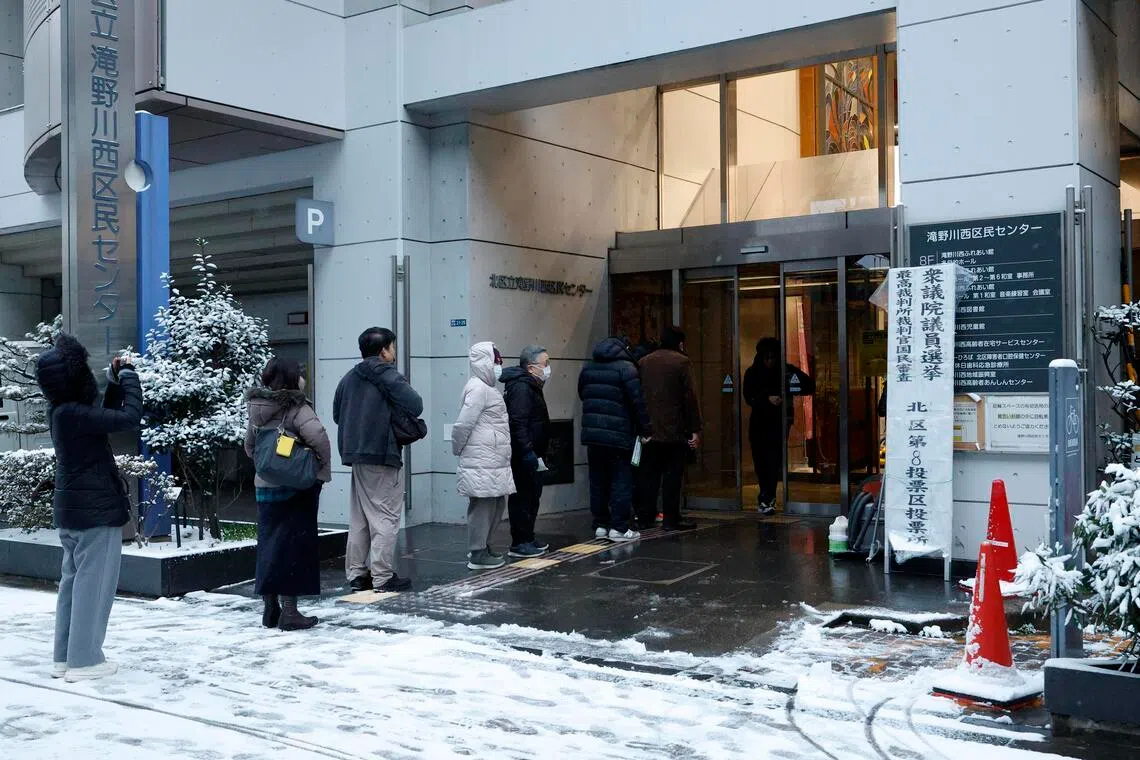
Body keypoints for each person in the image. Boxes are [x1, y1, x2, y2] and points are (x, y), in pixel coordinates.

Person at [36, 335, 143, 682]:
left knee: (73, 585)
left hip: (74, 511)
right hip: (95, 512)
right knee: (92, 587)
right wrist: (129, 376)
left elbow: (104, 416)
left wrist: (113, 379)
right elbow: (127, 418)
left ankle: (65, 657)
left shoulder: (63, 412)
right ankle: (84, 662)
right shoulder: (73, 414)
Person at [244, 358, 332, 631]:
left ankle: (271, 608)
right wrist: (318, 468)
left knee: (269, 545)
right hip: (296, 489)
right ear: (293, 379)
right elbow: (319, 438)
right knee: (294, 547)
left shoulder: (257, 408)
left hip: (265, 487)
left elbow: (250, 447)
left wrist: (270, 467)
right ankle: (290, 612)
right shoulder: (296, 407)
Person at [334, 327, 423, 593]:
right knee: (385, 516)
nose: (394, 352)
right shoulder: (388, 375)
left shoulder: (349, 378)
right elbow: (415, 405)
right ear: (383, 350)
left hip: (356, 454)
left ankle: (357, 574)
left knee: (360, 517)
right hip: (382, 454)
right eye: (392, 347)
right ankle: (383, 577)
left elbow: (338, 415)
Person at [578, 335, 653, 542]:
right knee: (621, 480)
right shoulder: (627, 368)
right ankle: (619, 527)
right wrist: (646, 430)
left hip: (593, 435)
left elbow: (583, 394)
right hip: (619, 435)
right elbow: (637, 402)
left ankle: (600, 524)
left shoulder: (588, 367)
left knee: (598, 480)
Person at [453, 342, 516, 570]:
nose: (500, 365)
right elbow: (463, 424)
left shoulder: (488, 388)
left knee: (497, 503)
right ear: (484, 362)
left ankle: (485, 546)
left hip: (492, 459)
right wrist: (458, 448)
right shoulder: (478, 388)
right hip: (482, 459)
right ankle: (477, 551)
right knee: (483, 505)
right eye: (496, 361)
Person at [637, 326, 702, 532]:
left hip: (649, 431)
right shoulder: (682, 362)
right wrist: (695, 429)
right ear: (680, 343)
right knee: (673, 477)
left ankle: (646, 517)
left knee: (650, 476)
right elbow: (689, 398)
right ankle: (671, 519)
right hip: (674, 431)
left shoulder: (644, 362)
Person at [742, 337, 814, 515]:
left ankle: (768, 498)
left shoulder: (786, 371)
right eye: (766, 358)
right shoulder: (753, 373)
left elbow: (808, 385)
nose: (770, 362)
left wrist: (788, 390)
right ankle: (765, 496)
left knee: (773, 460)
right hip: (759, 422)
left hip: (779, 422)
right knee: (760, 461)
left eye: (773, 358)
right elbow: (748, 396)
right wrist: (767, 398)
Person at [501, 344, 552, 558]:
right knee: (523, 496)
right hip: (524, 454)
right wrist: (528, 451)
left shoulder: (530, 385)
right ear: (531, 368)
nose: (548, 368)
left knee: (532, 495)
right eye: (545, 364)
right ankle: (520, 541)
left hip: (533, 452)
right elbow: (518, 423)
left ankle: (528, 537)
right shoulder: (522, 387)